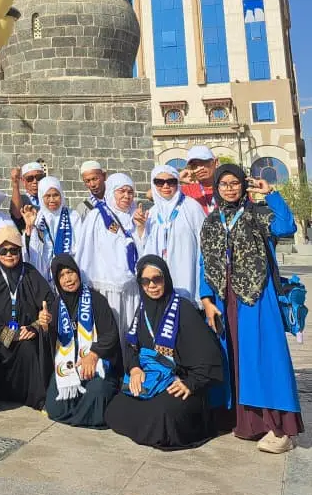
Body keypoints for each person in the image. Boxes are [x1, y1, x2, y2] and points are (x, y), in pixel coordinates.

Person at [199, 165, 303, 453]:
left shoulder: (257, 214)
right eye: (224, 184)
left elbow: (286, 226)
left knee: (265, 357)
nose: (230, 188)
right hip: (224, 297)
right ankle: (250, 424)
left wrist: (269, 194)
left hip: (257, 295)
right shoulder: (211, 222)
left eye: (235, 183)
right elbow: (204, 262)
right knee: (236, 359)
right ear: (217, 187)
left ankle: (281, 429)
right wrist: (206, 299)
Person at [105, 256, 223, 449]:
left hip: (180, 382)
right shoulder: (142, 310)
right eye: (145, 281)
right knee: (115, 408)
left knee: (162, 416)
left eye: (157, 279)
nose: (151, 285)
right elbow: (131, 346)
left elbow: (209, 356)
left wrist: (190, 384)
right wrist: (134, 368)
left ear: (166, 279)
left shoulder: (183, 309)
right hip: (151, 379)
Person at [0, 225, 54, 409]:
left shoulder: (30, 273)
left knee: (28, 347)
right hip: (0, 339)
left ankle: (36, 399)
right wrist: (10, 336)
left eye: (14, 250)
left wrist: (36, 325)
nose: (9, 255)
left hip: (26, 333)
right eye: (4, 250)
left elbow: (49, 302)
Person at [44, 254, 121, 427]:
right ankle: (80, 413)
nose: (67, 279)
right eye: (61, 276)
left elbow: (110, 335)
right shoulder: (57, 305)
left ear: (78, 273)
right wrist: (46, 326)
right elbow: (54, 341)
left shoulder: (96, 300)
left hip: (97, 360)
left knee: (97, 392)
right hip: (70, 363)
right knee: (55, 406)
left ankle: (84, 412)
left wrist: (93, 355)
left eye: (70, 272)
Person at [77, 172, 142, 343]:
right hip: (105, 286)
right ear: (112, 192)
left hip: (132, 287)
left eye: (130, 192)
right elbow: (86, 250)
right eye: (121, 191)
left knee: (130, 334)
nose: (126, 196)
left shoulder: (137, 216)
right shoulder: (97, 216)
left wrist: (141, 228)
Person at [140, 165, 204, 303]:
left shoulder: (192, 207)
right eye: (159, 182)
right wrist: (140, 227)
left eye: (171, 181)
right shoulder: (152, 212)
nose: (165, 186)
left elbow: (203, 243)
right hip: (159, 281)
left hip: (186, 274)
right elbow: (146, 246)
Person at [23, 176, 82, 280]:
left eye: (55, 195)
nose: (52, 200)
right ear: (41, 197)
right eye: (47, 196)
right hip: (43, 273)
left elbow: (80, 247)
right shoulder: (37, 218)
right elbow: (30, 249)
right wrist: (29, 225)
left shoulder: (73, 216)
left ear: (61, 195)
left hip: (67, 273)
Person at [179, 145, 218, 215]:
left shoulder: (228, 187)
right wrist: (177, 178)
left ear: (215, 162)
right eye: (194, 165)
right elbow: (153, 195)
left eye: (204, 162)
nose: (200, 168)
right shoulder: (186, 190)